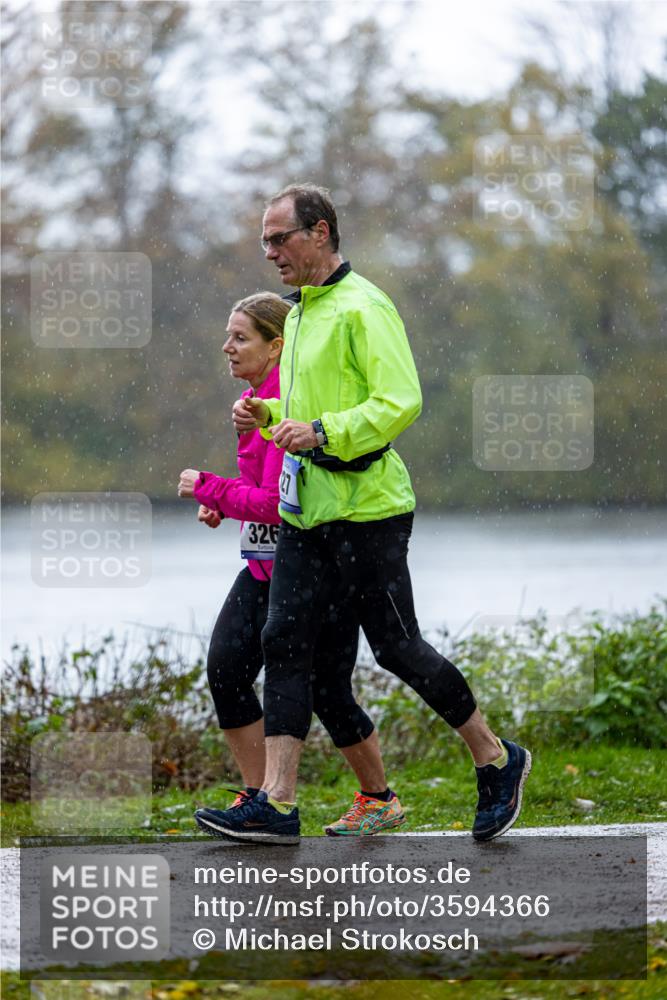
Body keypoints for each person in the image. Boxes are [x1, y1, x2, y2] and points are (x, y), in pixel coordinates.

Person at [204, 184, 532, 846]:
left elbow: (398, 401)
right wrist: (266, 416)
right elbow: (300, 409)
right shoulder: (296, 316)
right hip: (307, 514)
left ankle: (496, 758)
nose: (269, 252)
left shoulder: (363, 306)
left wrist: (323, 431)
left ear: (319, 233)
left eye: (279, 238)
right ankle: (278, 800)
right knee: (284, 643)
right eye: (264, 240)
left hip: (369, 510)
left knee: (397, 648)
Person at [178, 291, 405, 842]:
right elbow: (260, 490)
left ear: (276, 345)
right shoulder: (255, 400)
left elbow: (283, 505)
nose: (226, 347)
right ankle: (260, 798)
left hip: (313, 562)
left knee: (328, 688)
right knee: (227, 669)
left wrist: (210, 488)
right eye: (228, 336)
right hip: (263, 566)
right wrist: (223, 501)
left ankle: (377, 799)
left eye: (240, 337)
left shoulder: (289, 399)